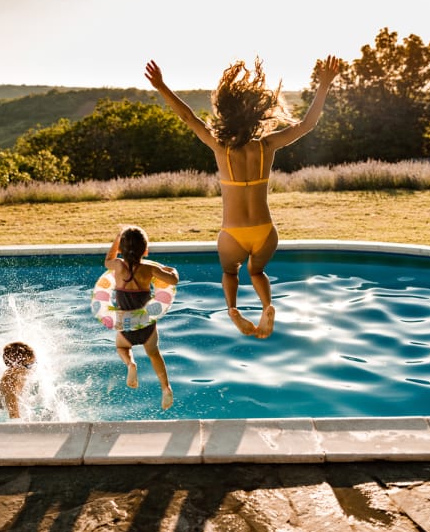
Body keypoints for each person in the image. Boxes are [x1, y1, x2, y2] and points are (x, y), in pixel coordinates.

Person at [145, 55, 340, 338]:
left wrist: (161, 86)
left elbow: (189, 117)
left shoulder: (220, 146)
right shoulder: (267, 146)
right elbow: (306, 125)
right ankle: (267, 306)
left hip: (233, 233)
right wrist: (323, 86)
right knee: (257, 272)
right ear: (255, 118)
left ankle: (234, 310)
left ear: (226, 115)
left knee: (230, 272)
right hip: (265, 232)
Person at [105, 226, 179, 410]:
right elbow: (173, 281)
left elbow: (108, 260)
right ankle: (165, 387)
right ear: (145, 250)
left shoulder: (118, 266)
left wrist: (117, 239)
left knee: (122, 346)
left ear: (121, 249)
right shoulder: (150, 269)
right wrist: (172, 270)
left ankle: (130, 364)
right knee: (154, 353)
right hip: (146, 323)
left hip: (125, 322)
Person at [0, 341, 36, 419]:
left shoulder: (14, 377)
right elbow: (14, 417)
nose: (32, 369)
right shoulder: (10, 382)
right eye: (29, 365)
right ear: (16, 365)